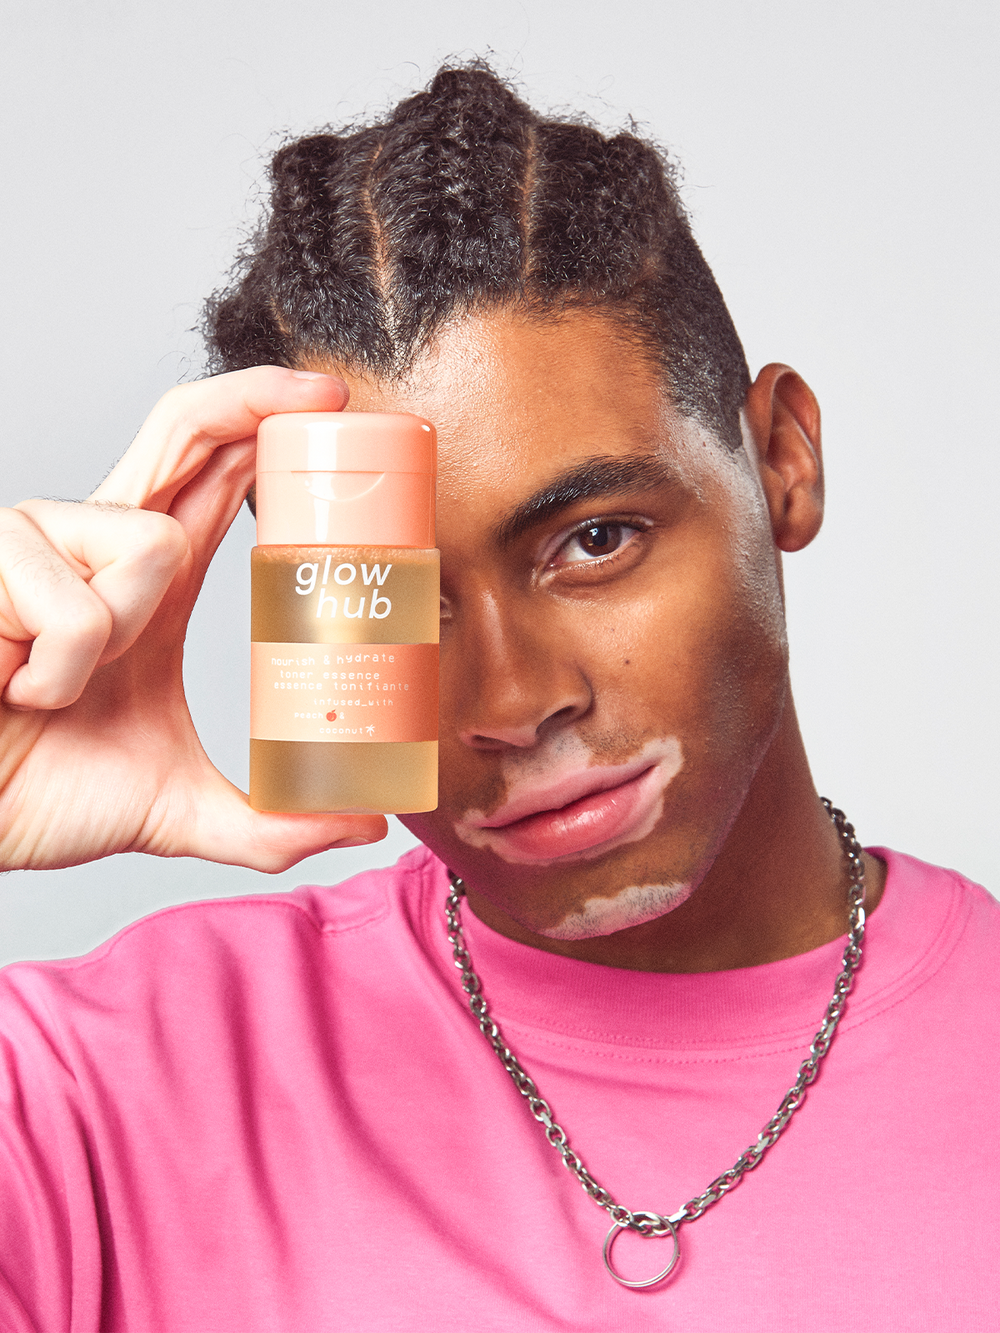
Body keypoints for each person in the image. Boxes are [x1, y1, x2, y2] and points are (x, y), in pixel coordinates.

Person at [0, 62, 996, 1330]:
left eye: (595, 541)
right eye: (392, 600)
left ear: (782, 460)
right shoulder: (86, 1094)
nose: (513, 702)